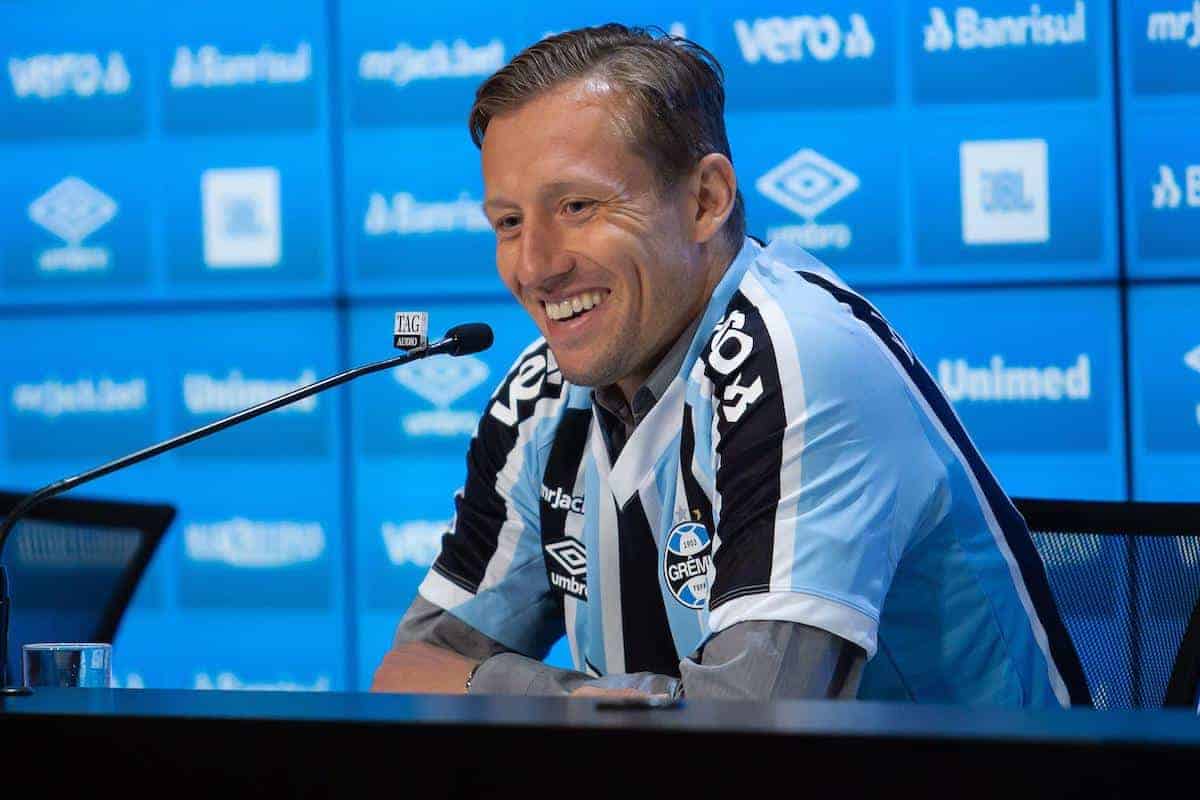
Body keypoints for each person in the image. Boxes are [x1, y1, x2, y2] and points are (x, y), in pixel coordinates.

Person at [370, 24, 1090, 705]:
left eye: (579, 205)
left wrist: (515, 693)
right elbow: (407, 674)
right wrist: (591, 703)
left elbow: (749, 734)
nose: (535, 266)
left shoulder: (801, 361)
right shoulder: (541, 395)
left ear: (705, 201)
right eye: (509, 222)